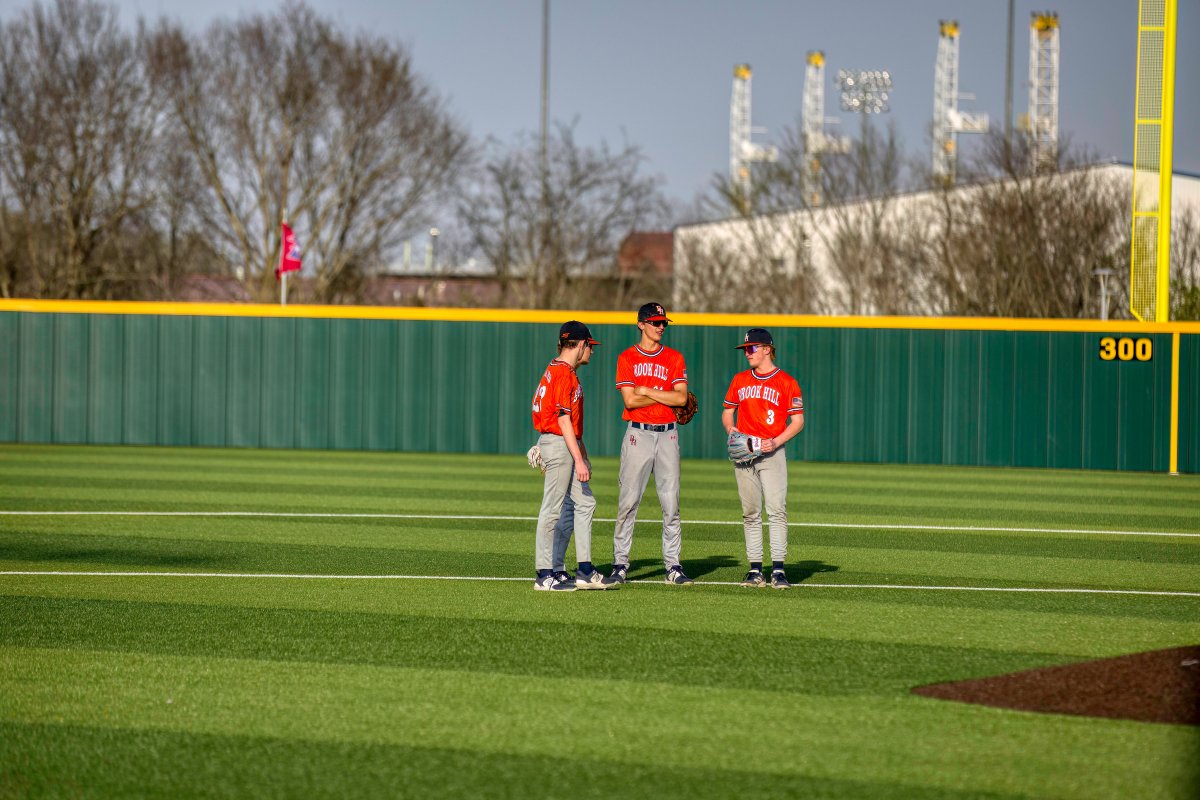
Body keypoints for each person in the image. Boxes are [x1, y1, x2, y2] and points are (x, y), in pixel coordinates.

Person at [604, 302, 693, 586]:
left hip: (668, 435)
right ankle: (620, 564)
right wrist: (662, 394)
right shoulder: (627, 357)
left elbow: (681, 398)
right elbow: (630, 401)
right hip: (638, 435)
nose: (661, 327)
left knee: (671, 504)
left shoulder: (674, 358)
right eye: (655, 322)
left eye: (663, 322)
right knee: (628, 503)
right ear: (641, 324)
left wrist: (647, 390)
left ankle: (673, 565)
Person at [721, 328, 805, 590]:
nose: (747, 353)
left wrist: (776, 442)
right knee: (750, 513)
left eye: (752, 348)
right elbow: (727, 412)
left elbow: (798, 421)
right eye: (745, 349)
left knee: (776, 510)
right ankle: (755, 569)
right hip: (745, 453)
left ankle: (778, 570)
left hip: (772, 453)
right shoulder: (739, 380)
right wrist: (731, 429)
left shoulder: (787, 382)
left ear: (767, 349)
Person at [531, 321, 605, 592]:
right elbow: (563, 419)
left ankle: (583, 570)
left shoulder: (556, 368)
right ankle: (544, 574)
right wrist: (579, 458)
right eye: (590, 346)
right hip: (559, 444)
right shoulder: (563, 373)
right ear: (581, 345)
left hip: (562, 443)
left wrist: (581, 454)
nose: (592, 351)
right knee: (552, 509)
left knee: (585, 503)